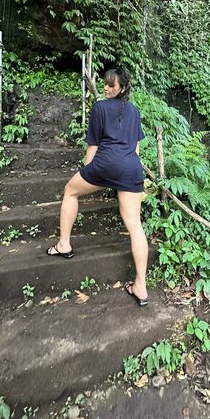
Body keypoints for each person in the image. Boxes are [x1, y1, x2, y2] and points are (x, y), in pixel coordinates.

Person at [46, 67, 149, 306]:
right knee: (135, 225)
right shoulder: (134, 110)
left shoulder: (99, 108)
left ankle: (64, 244)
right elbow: (135, 148)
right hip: (131, 167)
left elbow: (92, 145)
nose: (106, 88)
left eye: (111, 85)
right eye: (105, 84)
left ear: (122, 88)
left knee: (70, 190)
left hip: (105, 164)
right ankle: (141, 287)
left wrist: (88, 170)